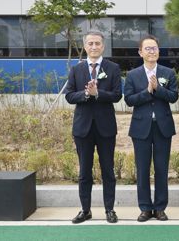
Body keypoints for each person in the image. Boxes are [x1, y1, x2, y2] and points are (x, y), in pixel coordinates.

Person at [63, 31, 122, 224]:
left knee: (108, 171)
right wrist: (86, 95)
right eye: (90, 43)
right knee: (84, 172)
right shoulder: (77, 69)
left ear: (103, 46)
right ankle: (85, 210)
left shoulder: (113, 68)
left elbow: (117, 95)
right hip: (83, 128)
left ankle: (110, 209)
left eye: (97, 43)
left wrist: (98, 93)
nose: (94, 46)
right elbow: (70, 96)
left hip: (105, 128)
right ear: (85, 46)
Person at [123, 35, 179, 222]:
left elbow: (173, 97)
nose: (151, 51)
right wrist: (147, 91)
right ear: (140, 52)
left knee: (162, 169)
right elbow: (129, 100)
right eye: (147, 48)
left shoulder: (168, 73)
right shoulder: (132, 75)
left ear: (159, 51)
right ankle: (145, 208)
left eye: (154, 48)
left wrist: (158, 89)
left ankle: (160, 208)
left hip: (163, 127)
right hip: (141, 128)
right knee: (143, 169)